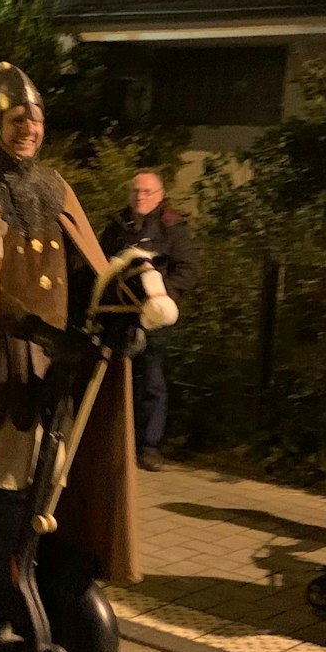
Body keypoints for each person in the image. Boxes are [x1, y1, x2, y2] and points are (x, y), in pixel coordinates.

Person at [0, 62, 156, 617]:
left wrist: (117, 318)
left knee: (40, 477)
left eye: (35, 119)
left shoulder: (54, 189)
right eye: (16, 118)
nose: (28, 129)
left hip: (51, 369)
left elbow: (89, 272)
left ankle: (16, 584)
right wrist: (19, 324)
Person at [99, 169, 198, 471]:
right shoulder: (117, 227)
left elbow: (189, 271)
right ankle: (113, 440)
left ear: (159, 194)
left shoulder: (173, 228)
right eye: (135, 191)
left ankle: (149, 446)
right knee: (112, 378)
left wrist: (157, 295)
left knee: (151, 381)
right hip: (115, 316)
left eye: (147, 192)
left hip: (153, 319)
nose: (140, 197)